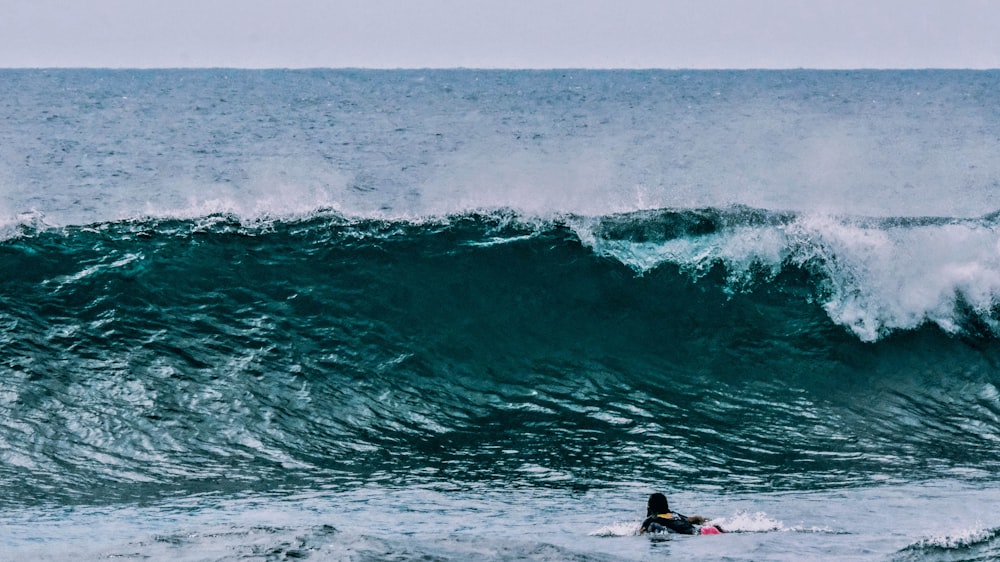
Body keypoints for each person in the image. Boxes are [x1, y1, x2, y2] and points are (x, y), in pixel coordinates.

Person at [639, 493, 724, 535]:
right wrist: (709, 522)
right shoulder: (674, 515)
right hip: (707, 530)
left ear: (650, 508)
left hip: (695, 534)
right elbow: (696, 519)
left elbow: (641, 532)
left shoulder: (652, 519)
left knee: (653, 526)